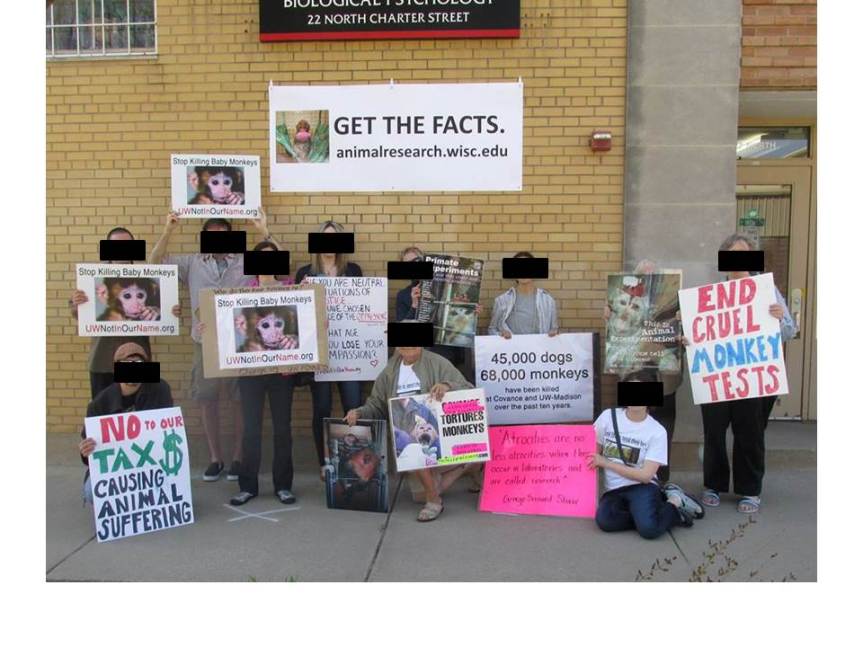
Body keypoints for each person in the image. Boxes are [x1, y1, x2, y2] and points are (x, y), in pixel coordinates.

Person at [150, 208, 277, 482]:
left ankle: (238, 458)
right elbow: (154, 263)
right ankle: (215, 458)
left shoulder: (245, 261)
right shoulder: (192, 263)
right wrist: (168, 230)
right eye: (212, 236)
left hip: (240, 343)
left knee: (239, 400)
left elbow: (277, 264)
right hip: (203, 340)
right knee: (207, 399)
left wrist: (264, 231)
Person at [693, 233, 797, 514]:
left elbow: (790, 330)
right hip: (718, 376)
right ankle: (713, 485)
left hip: (753, 376)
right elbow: (700, 334)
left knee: (749, 433)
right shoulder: (712, 295)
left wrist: (779, 317)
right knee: (713, 432)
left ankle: (750, 490)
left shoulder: (768, 291)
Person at [345, 343, 479, 522]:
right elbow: (376, 404)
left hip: (435, 433)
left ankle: (434, 500)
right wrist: (360, 412)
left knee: (415, 451)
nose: (408, 347)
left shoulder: (438, 362)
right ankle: (465, 466)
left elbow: (468, 388)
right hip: (409, 438)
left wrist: (447, 386)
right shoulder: (390, 371)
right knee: (418, 495)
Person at [589, 371, 704, 539]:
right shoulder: (608, 417)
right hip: (614, 490)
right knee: (605, 521)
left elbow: (645, 476)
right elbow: (592, 452)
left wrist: (606, 463)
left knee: (649, 530)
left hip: (642, 487)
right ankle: (646, 514)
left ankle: (674, 504)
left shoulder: (657, 431)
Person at [70, 226, 181, 398]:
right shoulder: (92, 279)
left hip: (138, 358)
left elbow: (163, 313)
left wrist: (169, 310)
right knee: (104, 413)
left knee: (140, 410)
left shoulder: (147, 277)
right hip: (102, 360)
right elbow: (79, 318)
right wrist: (77, 304)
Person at [603, 259, 682, 483]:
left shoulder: (675, 310)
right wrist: (608, 320)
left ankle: (661, 482)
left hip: (663, 383)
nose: (628, 310)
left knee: (661, 432)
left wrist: (680, 329)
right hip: (633, 379)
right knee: (629, 432)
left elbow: (679, 346)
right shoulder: (617, 312)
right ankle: (625, 480)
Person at [230, 240, 297, 506]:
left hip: (282, 373)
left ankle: (283, 485)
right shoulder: (241, 292)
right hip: (251, 372)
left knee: (283, 429)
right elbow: (226, 325)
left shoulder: (291, 288)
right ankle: (247, 486)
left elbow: (306, 321)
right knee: (251, 430)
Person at [295, 220, 364, 478]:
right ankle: (324, 461)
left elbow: (363, 307)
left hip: (349, 351)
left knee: (353, 406)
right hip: (320, 352)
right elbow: (297, 315)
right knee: (322, 408)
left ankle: (354, 460)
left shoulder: (354, 271)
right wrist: (299, 294)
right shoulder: (305, 273)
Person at [78, 342, 174, 504]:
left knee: (174, 485)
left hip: (150, 465)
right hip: (117, 471)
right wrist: (85, 450)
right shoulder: (99, 403)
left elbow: (170, 430)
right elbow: (90, 458)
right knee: (91, 494)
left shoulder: (160, 388)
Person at [393, 245, 474, 381]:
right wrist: (414, 305)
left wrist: (470, 311)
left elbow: (459, 323)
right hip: (419, 353)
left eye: (416, 261)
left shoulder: (444, 287)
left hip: (447, 349)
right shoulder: (403, 295)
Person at [487, 251, 559, 338]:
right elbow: (492, 329)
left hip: (540, 350)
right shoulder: (502, 301)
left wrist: (554, 333)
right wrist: (501, 334)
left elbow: (554, 329)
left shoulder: (548, 301)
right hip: (511, 350)